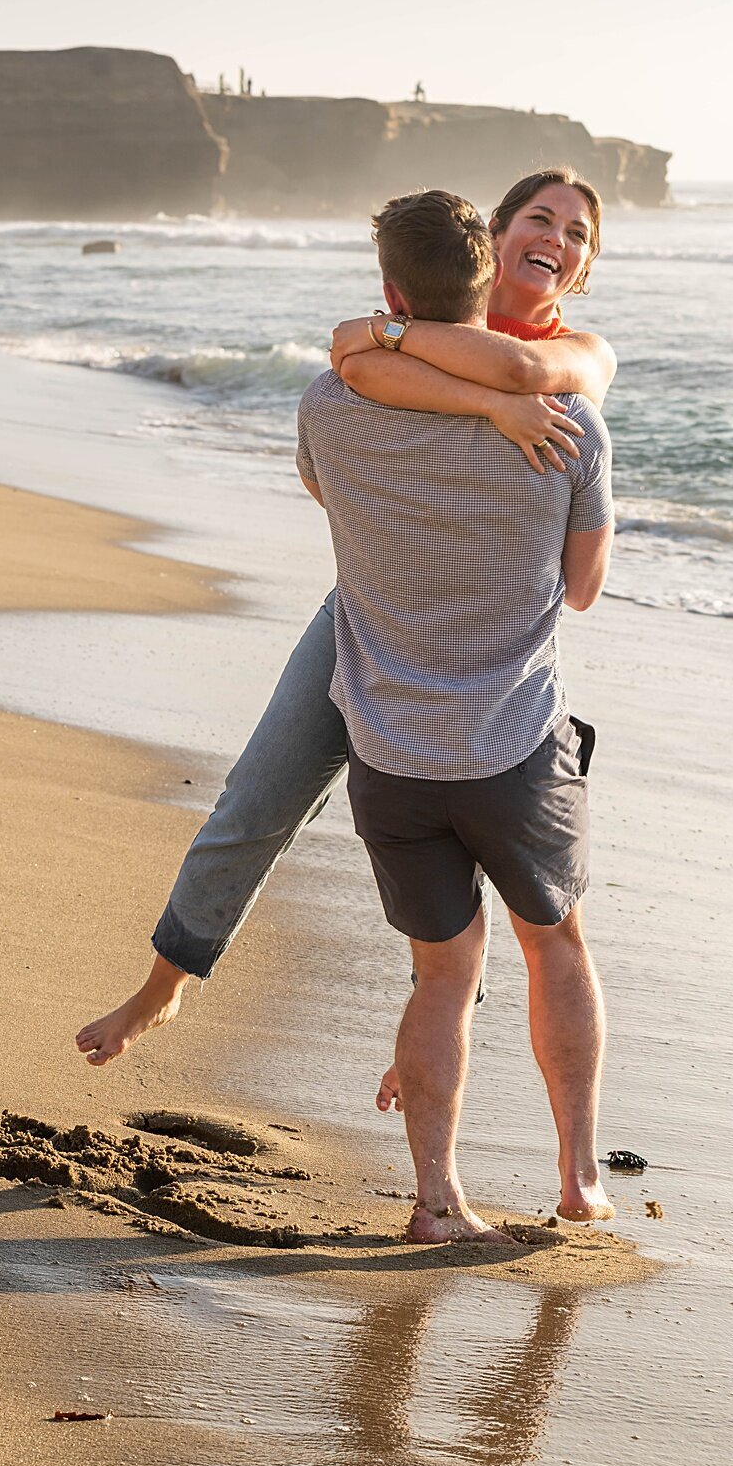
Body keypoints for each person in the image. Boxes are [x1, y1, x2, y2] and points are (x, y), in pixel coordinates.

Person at [74, 168, 613, 1068]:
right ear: (500, 229)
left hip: (487, 632)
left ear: (585, 267)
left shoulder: (575, 355)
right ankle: (164, 987)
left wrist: (433, 355)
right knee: (262, 792)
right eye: (540, 217)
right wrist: (486, 404)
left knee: (460, 833)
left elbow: (496, 368)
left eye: (579, 233)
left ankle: (429, 1037)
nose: (556, 237)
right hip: (369, 606)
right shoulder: (430, 324)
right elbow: (357, 363)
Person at [296, 188, 613, 1240]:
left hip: (388, 756)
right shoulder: (566, 423)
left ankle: (436, 1203)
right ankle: (575, 1178)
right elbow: (580, 588)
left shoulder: (327, 404)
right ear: (489, 283)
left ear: (394, 294)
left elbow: (325, 494)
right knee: (555, 946)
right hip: (511, 746)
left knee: (441, 975)